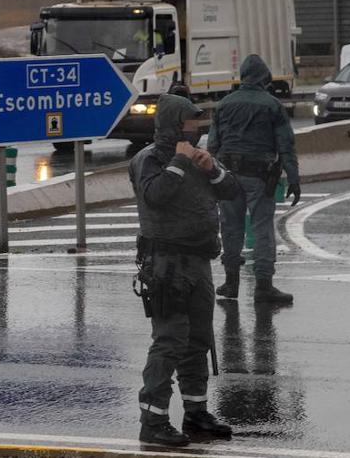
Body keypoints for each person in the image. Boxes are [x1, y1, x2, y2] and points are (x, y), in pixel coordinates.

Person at [129, 89, 239, 447]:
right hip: (166, 264)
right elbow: (155, 196)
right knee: (170, 340)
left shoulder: (200, 157)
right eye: (191, 123)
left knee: (199, 339)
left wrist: (213, 169)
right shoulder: (150, 158)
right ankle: (153, 420)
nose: (197, 129)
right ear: (175, 125)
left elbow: (233, 191)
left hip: (199, 260)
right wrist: (178, 162)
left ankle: (196, 413)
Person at [207, 54, 300, 305]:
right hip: (260, 176)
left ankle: (231, 282)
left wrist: (211, 176)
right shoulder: (272, 105)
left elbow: (212, 144)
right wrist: (293, 177)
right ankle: (263, 286)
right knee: (261, 230)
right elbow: (286, 145)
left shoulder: (224, 104)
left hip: (227, 176)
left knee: (230, 227)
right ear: (264, 78)